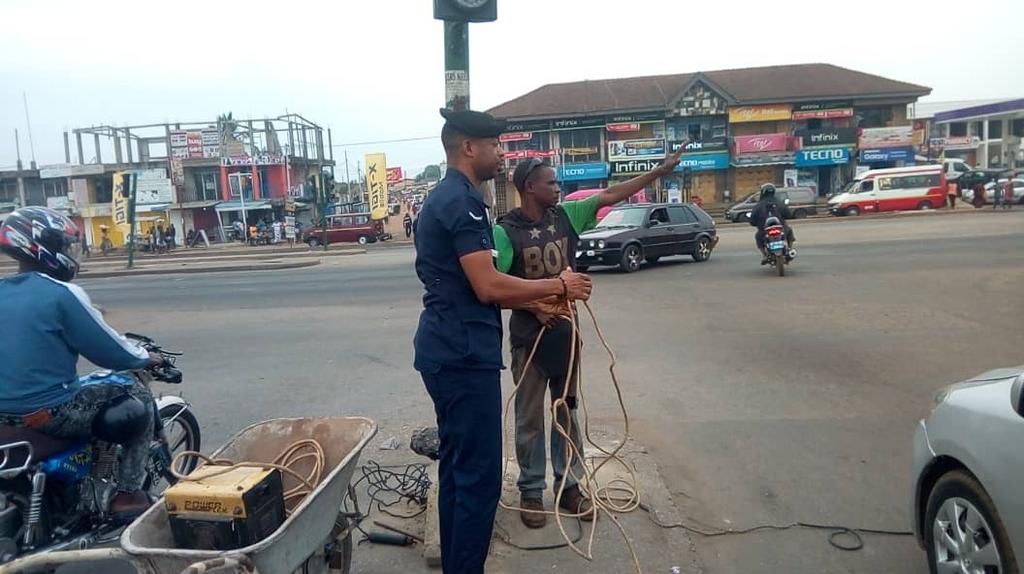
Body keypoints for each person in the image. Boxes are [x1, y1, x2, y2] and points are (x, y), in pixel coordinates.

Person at [413, 108, 592, 574]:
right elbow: (488, 286)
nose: (501, 153)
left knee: (458, 470)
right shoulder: (462, 202)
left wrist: (536, 301)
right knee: (478, 480)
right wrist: (558, 287)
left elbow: (478, 286)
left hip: (449, 349)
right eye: (494, 145)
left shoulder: (454, 198)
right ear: (469, 147)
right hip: (461, 355)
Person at [494, 148, 684, 529]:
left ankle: (570, 487)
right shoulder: (503, 231)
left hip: (567, 335)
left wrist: (657, 172)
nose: (558, 187)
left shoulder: (566, 216)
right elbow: (494, 289)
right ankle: (531, 491)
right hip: (528, 341)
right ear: (530, 187)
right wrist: (535, 306)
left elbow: (613, 194)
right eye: (551, 182)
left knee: (568, 413)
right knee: (529, 419)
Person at [0, 207, 163, 518]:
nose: (68, 252)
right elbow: (114, 353)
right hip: (48, 412)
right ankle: (129, 493)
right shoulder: (61, 294)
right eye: (64, 245)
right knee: (132, 390)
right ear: (44, 247)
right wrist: (146, 357)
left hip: (3, 413)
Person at [748, 183, 795, 264]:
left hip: (764, 231)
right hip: (781, 229)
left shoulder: (758, 205)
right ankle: (790, 249)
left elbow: (752, 220)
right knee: (789, 231)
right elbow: (788, 214)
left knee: (758, 237)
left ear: (762, 192)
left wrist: (755, 223)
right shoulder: (779, 203)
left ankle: (764, 255)